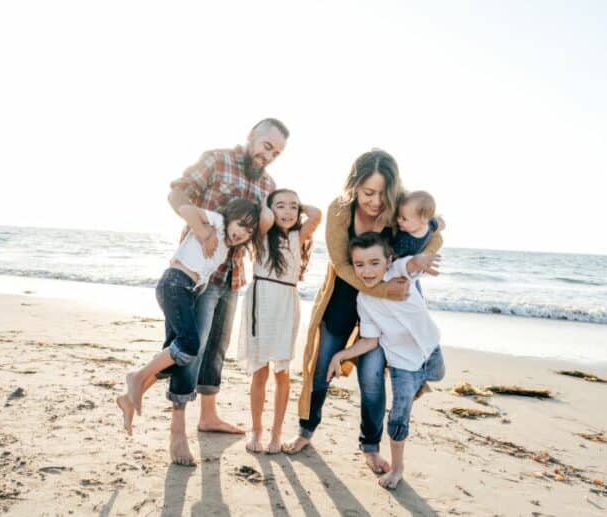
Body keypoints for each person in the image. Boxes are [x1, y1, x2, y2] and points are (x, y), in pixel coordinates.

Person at [284, 149, 443, 477]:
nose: (375, 201)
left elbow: (433, 235)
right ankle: (306, 430)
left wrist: (422, 257)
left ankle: (370, 447)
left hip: (385, 310)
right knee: (322, 366)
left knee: (372, 379)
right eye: (368, 193)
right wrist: (383, 288)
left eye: (382, 193)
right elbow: (341, 264)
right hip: (344, 296)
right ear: (354, 186)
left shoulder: (401, 206)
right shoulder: (340, 209)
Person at [165, 119, 289, 463]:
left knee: (216, 349)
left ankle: (208, 415)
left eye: (276, 153)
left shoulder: (268, 184)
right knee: (192, 347)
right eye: (266, 146)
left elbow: (271, 231)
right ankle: (177, 430)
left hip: (234, 277)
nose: (268, 156)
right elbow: (177, 192)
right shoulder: (217, 160)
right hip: (199, 274)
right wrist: (201, 229)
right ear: (251, 136)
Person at [116, 198, 262, 465]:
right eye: (240, 223)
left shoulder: (227, 249)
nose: (241, 231)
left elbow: (203, 272)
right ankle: (136, 377)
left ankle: (128, 399)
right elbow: (184, 209)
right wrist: (205, 232)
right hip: (175, 284)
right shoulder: (216, 223)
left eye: (248, 230)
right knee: (189, 346)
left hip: (187, 291)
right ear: (229, 217)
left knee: (175, 358)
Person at [326, 231, 445, 489]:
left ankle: (417, 386)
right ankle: (398, 468)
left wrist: (422, 258)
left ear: (389, 261)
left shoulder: (400, 273)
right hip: (403, 363)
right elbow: (370, 340)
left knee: (437, 375)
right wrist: (341, 355)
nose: (367, 271)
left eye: (374, 263)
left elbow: (412, 263)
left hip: (431, 348)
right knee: (399, 417)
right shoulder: (364, 300)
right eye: (359, 265)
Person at [237, 189, 322, 454]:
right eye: (281, 206)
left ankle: (276, 434)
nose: (287, 212)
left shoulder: (298, 236)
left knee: (281, 371)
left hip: (286, 303)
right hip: (261, 300)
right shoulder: (262, 235)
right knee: (260, 371)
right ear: (270, 209)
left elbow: (317, 214)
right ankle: (256, 431)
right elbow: (264, 218)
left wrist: (298, 204)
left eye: (293, 207)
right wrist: (266, 205)